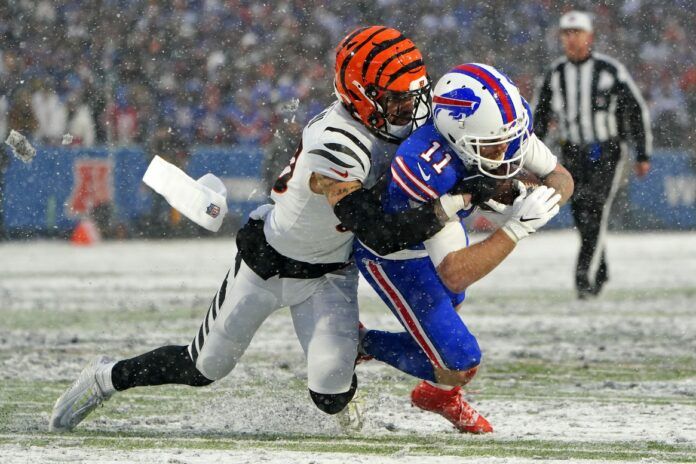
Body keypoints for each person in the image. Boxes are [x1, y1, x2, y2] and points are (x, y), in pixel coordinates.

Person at [49, 26, 478, 432]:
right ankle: (107, 377)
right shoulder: (336, 139)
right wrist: (458, 200)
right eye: (397, 100)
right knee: (202, 368)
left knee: (330, 394)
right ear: (361, 95)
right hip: (269, 262)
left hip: (330, 275)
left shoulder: (404, 126)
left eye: (414, 96)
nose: (411, 110)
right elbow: (377, 231)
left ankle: (354, 353)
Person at [354, 63, 574, 433]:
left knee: (446, 322)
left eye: (509, 139)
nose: (506, 151)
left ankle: (437, 394)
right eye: (494, 144)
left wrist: (535, 196)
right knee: (460, 359)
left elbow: (562, 178)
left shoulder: (498, 132)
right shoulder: (426, 164)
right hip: (397, 255)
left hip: (443, 236)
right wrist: (518, 227)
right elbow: (455, 273)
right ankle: (358, 344)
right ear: (459, 134)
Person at [533, 10, 652, 299]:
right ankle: (600, 268)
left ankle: (584, 277)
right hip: (571, 151)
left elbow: (636, 110)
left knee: (596, 207)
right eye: (566, 33)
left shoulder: (610, 70)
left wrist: (642, 153)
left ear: (590, 37)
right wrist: (532, 155)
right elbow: (539, 116)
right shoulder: (555, 74)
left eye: (577, 33)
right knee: (581, 212)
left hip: (607, 150)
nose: (571, 39)